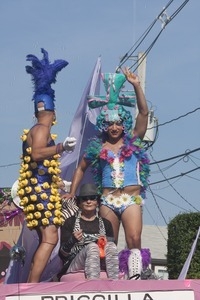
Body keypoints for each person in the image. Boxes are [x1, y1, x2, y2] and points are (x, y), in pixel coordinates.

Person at [63, 68, 150, 279]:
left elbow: (144, 113)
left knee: (134, 238)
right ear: (104, 124)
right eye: (110, 123)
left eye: (118, 123)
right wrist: (72, 193)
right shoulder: (97, 148)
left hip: (130, 198)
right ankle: (110, 279)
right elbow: (81, 168)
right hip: (107, 200)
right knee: (107, 243)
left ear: (124, 125)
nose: (114, 127)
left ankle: (135, 277)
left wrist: (137, 86)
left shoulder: (135, 140)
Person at [17, 48, 76, 283]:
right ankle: (32, 285)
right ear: (52, 112)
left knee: (47, 237)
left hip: (40, 188)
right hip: (39, 192)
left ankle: (32, 282)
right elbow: (38, 153)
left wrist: (59, 182)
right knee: (50, 237)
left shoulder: (35, 129)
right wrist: (62, 147)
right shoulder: (41, 130)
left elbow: (36, 166)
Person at [59, 183, 119, 280]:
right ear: (79, 203)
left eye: (92, 198)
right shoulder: (70, 222)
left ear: (98, 202)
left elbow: (112, 248)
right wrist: (72, 240)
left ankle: (115, 284)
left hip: (101, 261)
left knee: (111, 246)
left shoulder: (106, 223)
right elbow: (62, 254)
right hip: (75, 262)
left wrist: (105, 241)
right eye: (84, 198)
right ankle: (93, 284)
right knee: (92, 247)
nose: (88, 201)